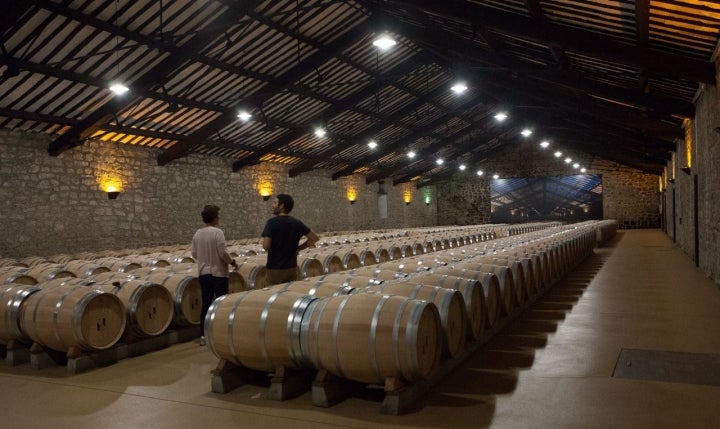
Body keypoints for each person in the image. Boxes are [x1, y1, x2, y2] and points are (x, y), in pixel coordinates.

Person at [191, 204, 236, 346]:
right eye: (218, 215)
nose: (219, 218)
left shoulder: (197, 233)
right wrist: (232, 262)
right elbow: (223, 253)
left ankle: (204, 335)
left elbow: (194, 254)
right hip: (219, 274)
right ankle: (221, 332)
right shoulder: (218, 232)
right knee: (221, 304)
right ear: (215, 217)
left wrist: (204, 260)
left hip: (204, 273)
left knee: (206, 304)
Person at [262, 194, 319, 286]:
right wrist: (298, 248)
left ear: (282, 206)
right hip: (291, 267)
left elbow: (266, 246)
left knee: (273, 296)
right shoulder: (297, 223)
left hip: (274, 269)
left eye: (275, 203)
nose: (272, 205)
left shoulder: (271, 223)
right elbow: (314, 238)